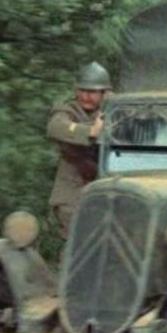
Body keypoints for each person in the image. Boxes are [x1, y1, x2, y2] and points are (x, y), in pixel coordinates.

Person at [47, 61, 112, 239]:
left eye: (92, 92)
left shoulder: (114, 108)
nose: (86, 96)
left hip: (108, 188)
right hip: (73, 191)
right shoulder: (68, 109)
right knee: (77, 241)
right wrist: (90, 131)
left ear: (104, 93)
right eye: (82, 90)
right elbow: (55, 127)